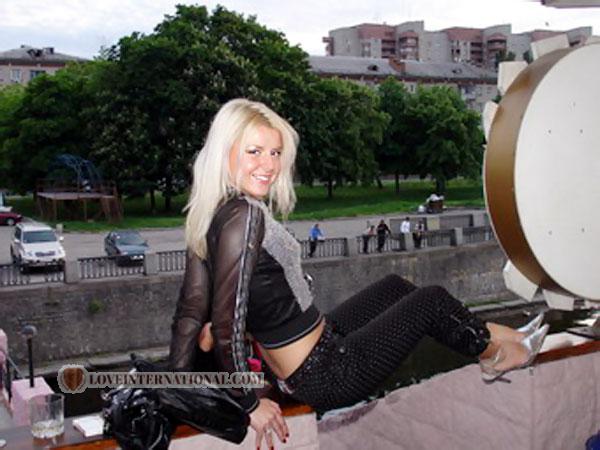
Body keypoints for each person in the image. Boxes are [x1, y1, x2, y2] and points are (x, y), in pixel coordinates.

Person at [169, 99, 549, 449]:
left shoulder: (212, 214)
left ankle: (510, 335)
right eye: (254, 151)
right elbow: (227, 324)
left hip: (319, 344)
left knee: (394, 287)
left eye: (276, 153)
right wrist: (249, 404)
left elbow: (189, 312)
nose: (269, 165)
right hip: (324, 372)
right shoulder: (244, 216)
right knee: (430, 302)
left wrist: (175, 386)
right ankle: (498, 353)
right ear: (225, 151)